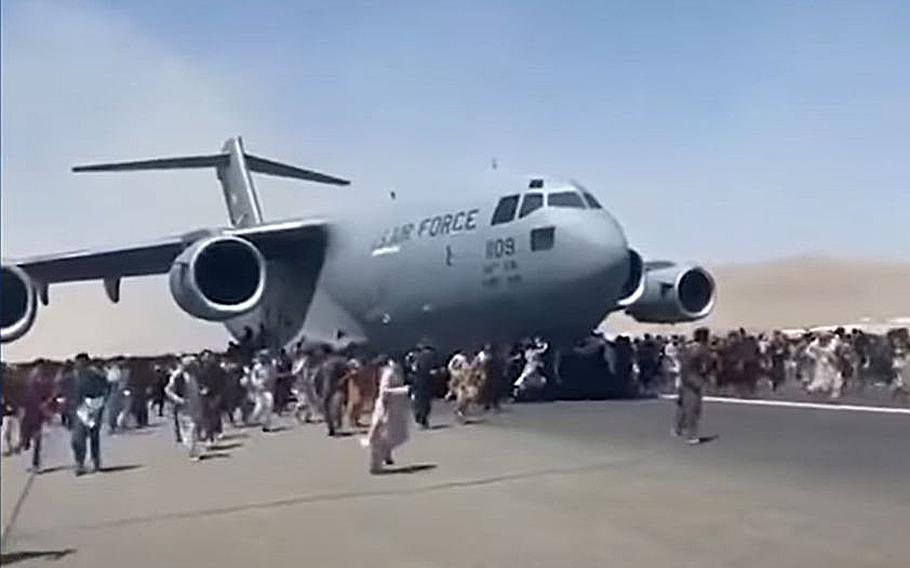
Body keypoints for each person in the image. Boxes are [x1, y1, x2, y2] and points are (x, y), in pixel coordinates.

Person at [363, 357, 411, 474]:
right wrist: (404, 390)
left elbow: (384, 392)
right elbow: (386, 391)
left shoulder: (387, 374)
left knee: (380, 436)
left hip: (387, 406)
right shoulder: (392, 372)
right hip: (390, 407)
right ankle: (378, 463)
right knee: (384, 436)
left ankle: (377, 463)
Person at [69, 353, 109, 475]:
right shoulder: (73, 377)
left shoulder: (95, 376)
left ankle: (95, 462)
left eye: (80, 363)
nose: (78, 365)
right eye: (77, 363)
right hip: (79, 410)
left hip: (93, 407)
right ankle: (79, 463)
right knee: (77, 439)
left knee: (93, 436)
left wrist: (99, 409)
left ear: (86, 363)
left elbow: (104, 390)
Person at [674, 328, 712, 445]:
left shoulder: (687, 347)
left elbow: (681, 360)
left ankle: (678, 429)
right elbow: (705, 366)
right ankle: (691, 435)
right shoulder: (701, 349)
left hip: (683, 378)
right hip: (693, 379)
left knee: (683, 405)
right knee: (693, 409)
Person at [166, 355, 205, 460]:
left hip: (196, 403)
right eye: (192, 364)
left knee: (195, 427)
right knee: (190, 427)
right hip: (184, 406)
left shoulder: (195, 375)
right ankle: (193, 451)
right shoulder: (178, 375)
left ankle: (192, 447)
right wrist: (178, 399)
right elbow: (168, 390)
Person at [246, 350, 276, 432]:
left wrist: (271, 383)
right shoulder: (257, 367)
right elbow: (253, 377)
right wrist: (257, 384)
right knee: (260, 406)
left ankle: (267, 425)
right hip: (259, 389)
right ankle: (253, 419)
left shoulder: (271, 366)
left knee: (269, 406)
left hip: (268, 389)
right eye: (261, 357)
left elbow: (273, 376)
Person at [410, 343, 437, 429]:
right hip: (421, 381)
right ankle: (421, 419)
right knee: (421, 402)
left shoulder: (417, 357)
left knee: (422, 402)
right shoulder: (417, 357)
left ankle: (421, 419)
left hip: (421, 381)